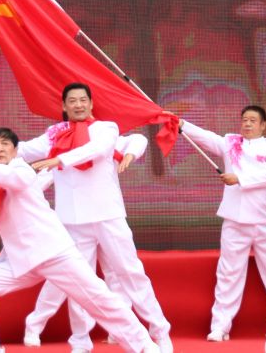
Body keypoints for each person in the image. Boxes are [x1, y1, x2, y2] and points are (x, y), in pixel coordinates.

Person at [0, 127, 159, 353]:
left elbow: (11, 177)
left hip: (54, 253)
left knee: (99, 299)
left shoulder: (21, 171)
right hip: (24, 260)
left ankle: (144, 346)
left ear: (16, 151)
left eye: (5, 144)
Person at [17, 83, 172, 353]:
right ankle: (80, 340)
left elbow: (99, 149)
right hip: (72, 220)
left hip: (107, 215)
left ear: (90, 103)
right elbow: (22, 150)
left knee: (130, 273)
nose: (78, 105)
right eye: (72, 101)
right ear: (64, 106)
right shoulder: (54, 135)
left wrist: (60, 160)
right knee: (80, 283)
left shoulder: (105, 128)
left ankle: (159, 331)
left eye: (83, 100)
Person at [179, 105, 266, 341]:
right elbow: (206, 138)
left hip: (264, 222)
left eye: (253, 120)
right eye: (244, 120)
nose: (247, 124)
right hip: (234, 220)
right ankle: (220, 326)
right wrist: (183, 125)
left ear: (263, 125)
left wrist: (239, 178)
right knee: (228, 273)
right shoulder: (230, 142)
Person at [23, 133, 149, 348]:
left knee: (116, 275)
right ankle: (36, 324)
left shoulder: (106, 138)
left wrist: (130, 154)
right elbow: (40, 181)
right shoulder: (63, 147)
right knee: (69, 279)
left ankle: (119, 329)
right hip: (76, 225)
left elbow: (138, 139)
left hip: (107, 220)